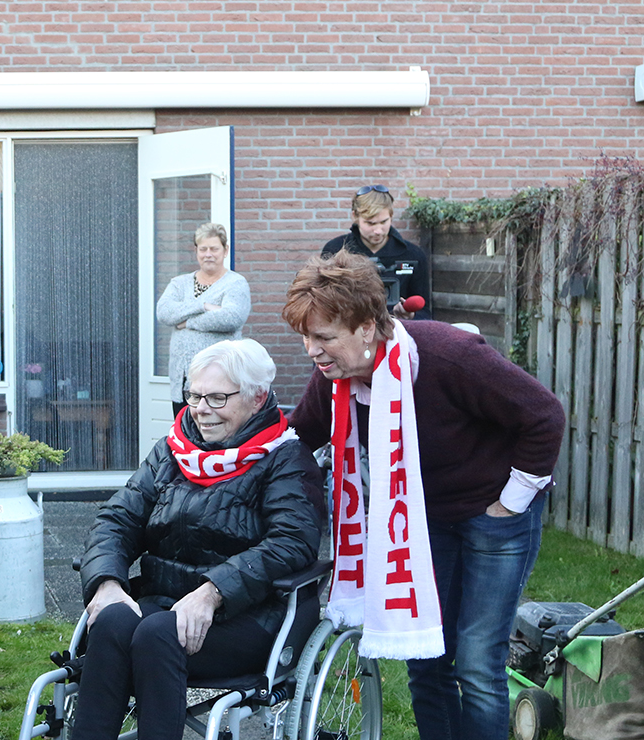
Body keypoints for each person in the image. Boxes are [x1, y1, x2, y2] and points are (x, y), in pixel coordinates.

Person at [284, 251, 563, 740]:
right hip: (424, 521)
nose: (313, 350)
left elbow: (544, 415)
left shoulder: (449, 356)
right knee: (427, 657)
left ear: (367, 327)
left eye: (324, 336)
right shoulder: (335, 379)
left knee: (477, 662)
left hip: (494, 516)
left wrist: (510, 502)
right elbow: (296, 437)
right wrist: (231, 449)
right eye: (306, 337)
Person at [74, 339, 324, 740]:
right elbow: (118, 518)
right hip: (165, 600)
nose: (201, 409)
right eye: (194, 395)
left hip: (249, 616)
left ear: (258, 397)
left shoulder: (286, 458)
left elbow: (292, 543)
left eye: (217, 397)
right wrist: (105, 582)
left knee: (158, 634)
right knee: (113, 621)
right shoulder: (172, 451)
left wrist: (213, 592)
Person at [155, 222, 251, 418]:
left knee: (215, 438)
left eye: (214, 249)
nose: (208, 254)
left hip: (221, 384)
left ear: (225, 251)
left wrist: (187, 323)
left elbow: (231, 317)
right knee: (184, 440)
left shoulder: (235, 283)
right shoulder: (179, 284)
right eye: (203, 249)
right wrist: (203, 306)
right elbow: (164, 313)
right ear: (196, 251)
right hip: (183, 383)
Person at [322, 184, 433, 320]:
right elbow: (323, 305)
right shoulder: (335, 250)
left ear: (391, 216)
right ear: (355, 217)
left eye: (383, 222)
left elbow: (425, 313)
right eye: (370, 223)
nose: (378, 230)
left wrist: (410, 315)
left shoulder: (414, 255)